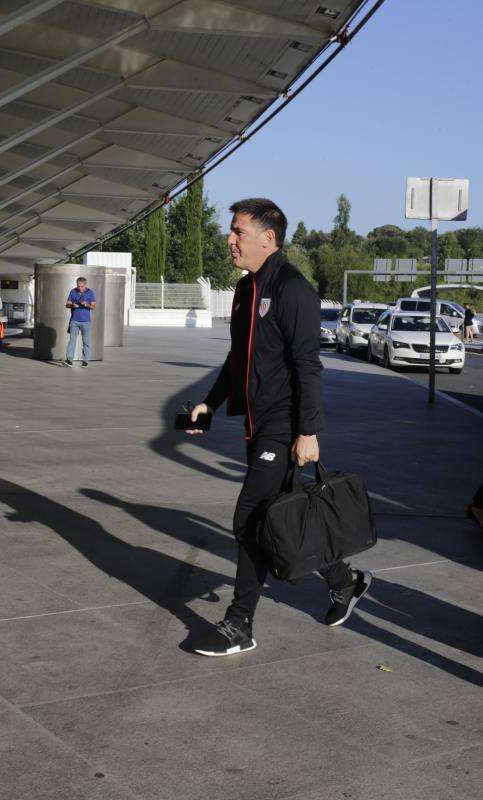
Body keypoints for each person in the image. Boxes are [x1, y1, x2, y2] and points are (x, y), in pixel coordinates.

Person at [186, 198, 372, 657]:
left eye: (238, 232)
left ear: (267, 238)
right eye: (232, 232)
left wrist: (308, 431)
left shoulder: (294, 290)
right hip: (256, 422)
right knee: (281, 518)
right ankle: (344, 581)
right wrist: (210, 403)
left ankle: (239, 624)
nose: (230, 240)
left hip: (284, 426)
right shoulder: (246, 290)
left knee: (249, 517)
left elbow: (308, 365)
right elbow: (238, 358)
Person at [63, 277, 96, 367]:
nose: (79, 288)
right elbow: (67, 304)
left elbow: (93, 307)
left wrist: (87, 304)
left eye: (81, 286)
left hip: (86, 322)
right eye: (78, 286)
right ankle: (69, 360)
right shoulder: (73, 291)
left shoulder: (90, 293)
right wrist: (72, 305)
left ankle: (85, 361)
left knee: (86, 342)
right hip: (74, 320)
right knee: (72, 341)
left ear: (85, 285)